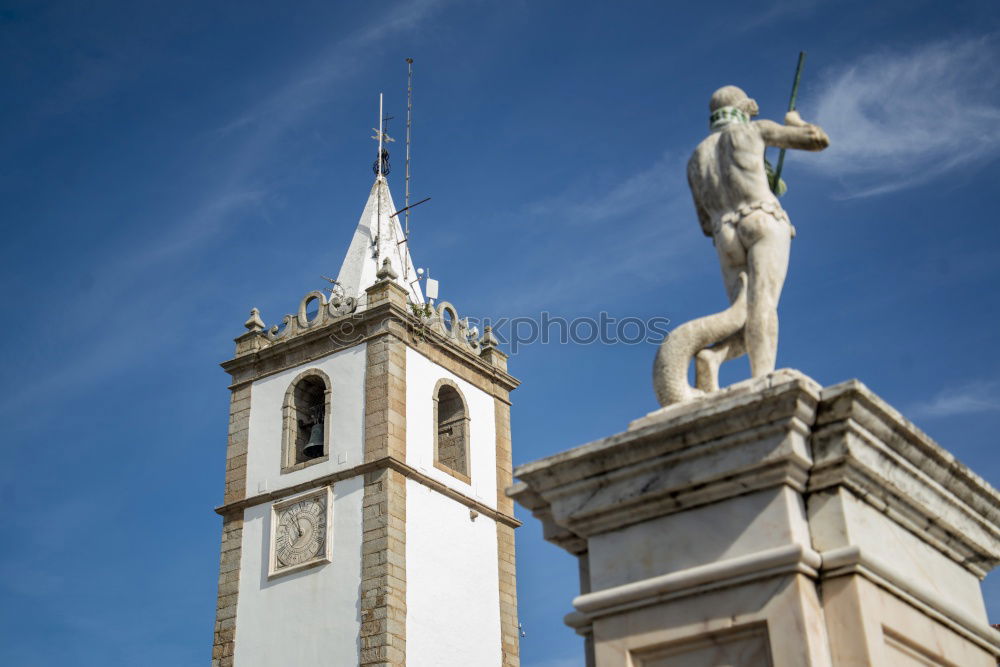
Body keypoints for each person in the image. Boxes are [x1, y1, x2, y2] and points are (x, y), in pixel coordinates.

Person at [686, 85, 829, 391]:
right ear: (744, 107)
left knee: (744, 314)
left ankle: (712, 357)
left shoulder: (696, 159)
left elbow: (704, 224)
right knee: (763, 304)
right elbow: (817, 140)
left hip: (724, 233)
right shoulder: (754, 131)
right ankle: (762, 379)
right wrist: (795, 121)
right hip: (762, 218)